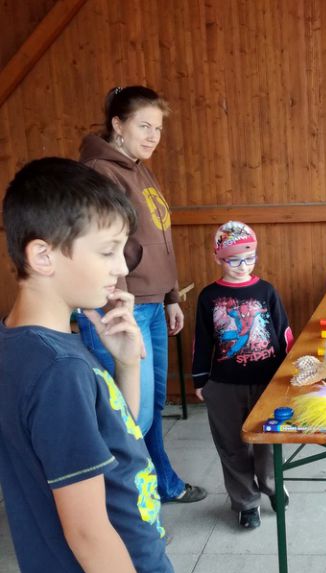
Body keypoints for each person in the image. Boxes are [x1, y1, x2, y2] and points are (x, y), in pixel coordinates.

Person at [0, 158, 210, 573]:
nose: (122, 268)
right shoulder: (59, 371)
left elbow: (123, 436)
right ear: (43, 256)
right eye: (108, 250)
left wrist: (126, 362)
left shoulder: (27, 346)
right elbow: (88, 531)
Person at [75, 85, 205, 504]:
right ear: (118, 124)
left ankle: (161, 484)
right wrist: (122, 307)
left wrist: (171, 296)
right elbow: (102, 244)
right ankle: (125, 505)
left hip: (150, 303)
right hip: (121, 309)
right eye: (144, 126)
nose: (153, 136)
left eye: (158, 128)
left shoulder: (138, 167)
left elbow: (158, 238)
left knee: (151, 408)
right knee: (130, 414)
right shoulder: (99, 171)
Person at [192, 221, 293, 529]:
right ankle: (246, 502)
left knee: (268, 440)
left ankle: (272, 485)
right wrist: (200, 379)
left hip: (267, 381)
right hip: (224, 384)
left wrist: (288, 374)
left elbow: (283, 332)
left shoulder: (266, 291)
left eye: (249, 258)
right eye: (233, 260)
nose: (242, 266)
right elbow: (202, 340)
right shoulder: (209, 296)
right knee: (231, 446)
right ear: (217, 258)